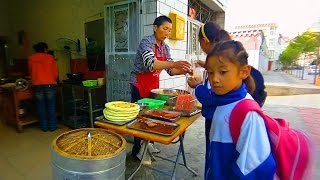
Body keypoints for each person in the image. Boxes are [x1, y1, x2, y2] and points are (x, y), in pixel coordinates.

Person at [204, 40, 276, 179]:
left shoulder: (248, 113)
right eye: (211, 73)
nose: (215, 79)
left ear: (244, 72)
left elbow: (254, 168)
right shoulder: (222, 100)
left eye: (223, 72)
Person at [130, 15, 192, 158]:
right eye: (165, 29)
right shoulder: (146, 42)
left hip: (153, 85)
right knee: (140, 117)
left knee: (152, 115)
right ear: (155, 28)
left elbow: (171, 71)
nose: (167, 33)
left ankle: (149, 144)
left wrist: (185, 70)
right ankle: (137, 149)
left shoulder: (165, 48)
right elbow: (150, 64)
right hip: (139, 84)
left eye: (170, 30)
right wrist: (175, 63)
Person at [187, 22, 232, 171]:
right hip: (222, 117)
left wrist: (197, 86)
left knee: (214, 159)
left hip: (217, 118)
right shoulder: (223, 56)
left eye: (200, 42)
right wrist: (206, 65)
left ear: (205, 41)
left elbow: (211, 98)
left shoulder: (219, 61)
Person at [28, 42, 58, 132]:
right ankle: (52, 127)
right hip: (49, 84)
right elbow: (55, 72)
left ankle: (44, 127)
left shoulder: (31, 58)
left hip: (37, 85)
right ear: (45, 49)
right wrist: (52, 79)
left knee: (41, 107)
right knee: (51, 106)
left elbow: (30, 72)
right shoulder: (50, 57)